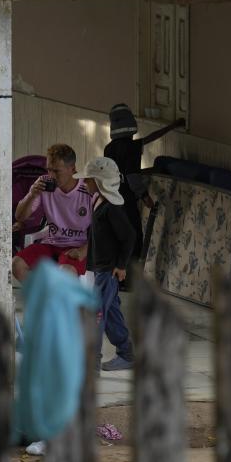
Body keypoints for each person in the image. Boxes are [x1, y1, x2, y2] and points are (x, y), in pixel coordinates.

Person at [74, 157, 137, 371]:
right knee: (110, 313)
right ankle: (127, 354)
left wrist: (121, 265)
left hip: (109, 270)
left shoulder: (113, 208)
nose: (85, 184)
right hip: (100, 267)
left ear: (101, 182)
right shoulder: (98, 200)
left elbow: (129, 237)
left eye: (89, 180)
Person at [103, 103, 184, 259]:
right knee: (134, 237)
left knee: (118, 236)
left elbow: (119, 171)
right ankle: (131, 274)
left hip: (111, 198)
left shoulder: (109, 148)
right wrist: (146, 198)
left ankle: (121, 273)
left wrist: (172, 126)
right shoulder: (132, 147)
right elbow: (132, 177)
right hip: (126, 200)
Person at [12, 144, 91, 281]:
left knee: (65, 273)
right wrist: (32, 195)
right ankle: (40, 298)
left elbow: (104, 232)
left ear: (72, 169)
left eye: (56, 171)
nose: (51, 175)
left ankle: (57, 300)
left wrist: (83, 251)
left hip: (77, 246)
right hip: (51, 243)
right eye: (48, 170)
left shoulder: (87, 189)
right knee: (16, 264)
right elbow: (20, 217)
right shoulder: (43, 183)